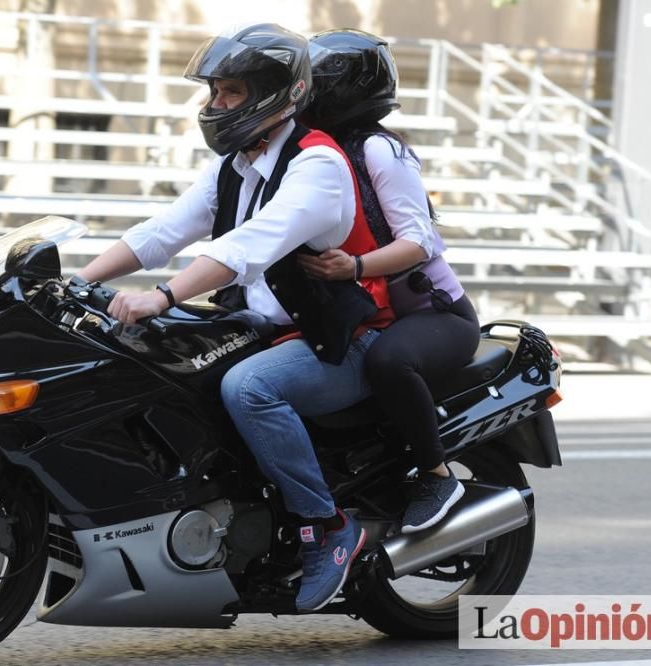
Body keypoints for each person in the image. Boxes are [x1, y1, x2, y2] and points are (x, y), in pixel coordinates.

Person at [75, 24, 394, 613]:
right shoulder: (237, 165)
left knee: (249, 388)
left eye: (231, 93)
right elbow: (163, 232)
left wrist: (163, 296)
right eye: (214, 92)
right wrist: (76, 282)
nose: (215, 106)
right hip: (263, 329)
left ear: (278, 94)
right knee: (145, 363)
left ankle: (325, 526)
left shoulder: (316, 164)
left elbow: (246, 246)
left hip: (336, 342)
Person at [299, 29, 480, 534]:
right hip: (367, 309)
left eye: (312, 83)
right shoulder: (317, 150)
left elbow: (419, 242)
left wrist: (353, 268)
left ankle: (436, 474)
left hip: (434, 315)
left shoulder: (378, 149)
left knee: (389, 362)